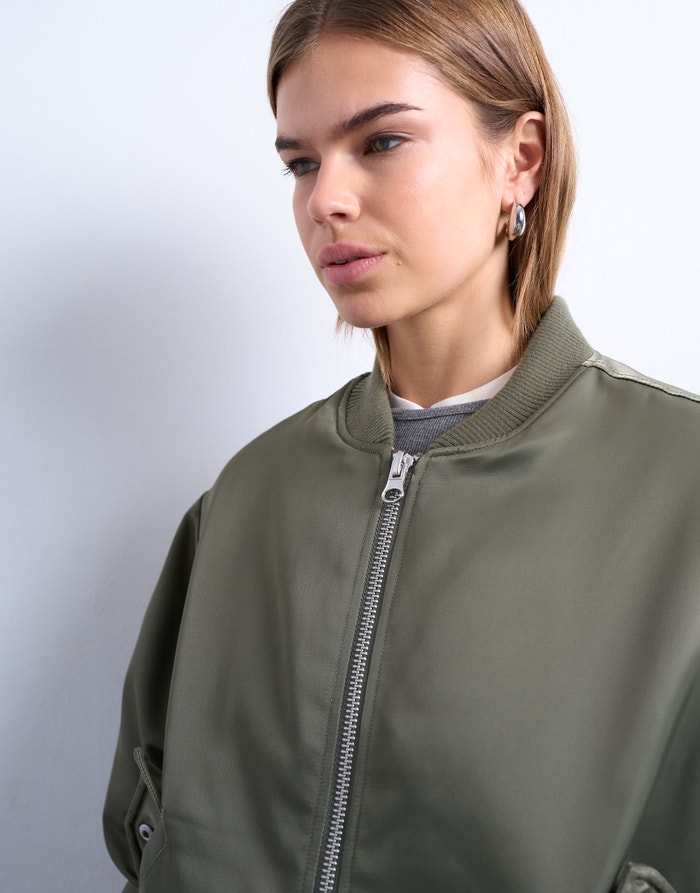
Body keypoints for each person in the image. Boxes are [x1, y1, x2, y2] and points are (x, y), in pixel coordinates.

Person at [103, 0, 700, 891]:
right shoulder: (249, 495)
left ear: (521, 160)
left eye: (381, 141)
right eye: (301, 163)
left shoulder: (678, 483)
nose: (325, 200)